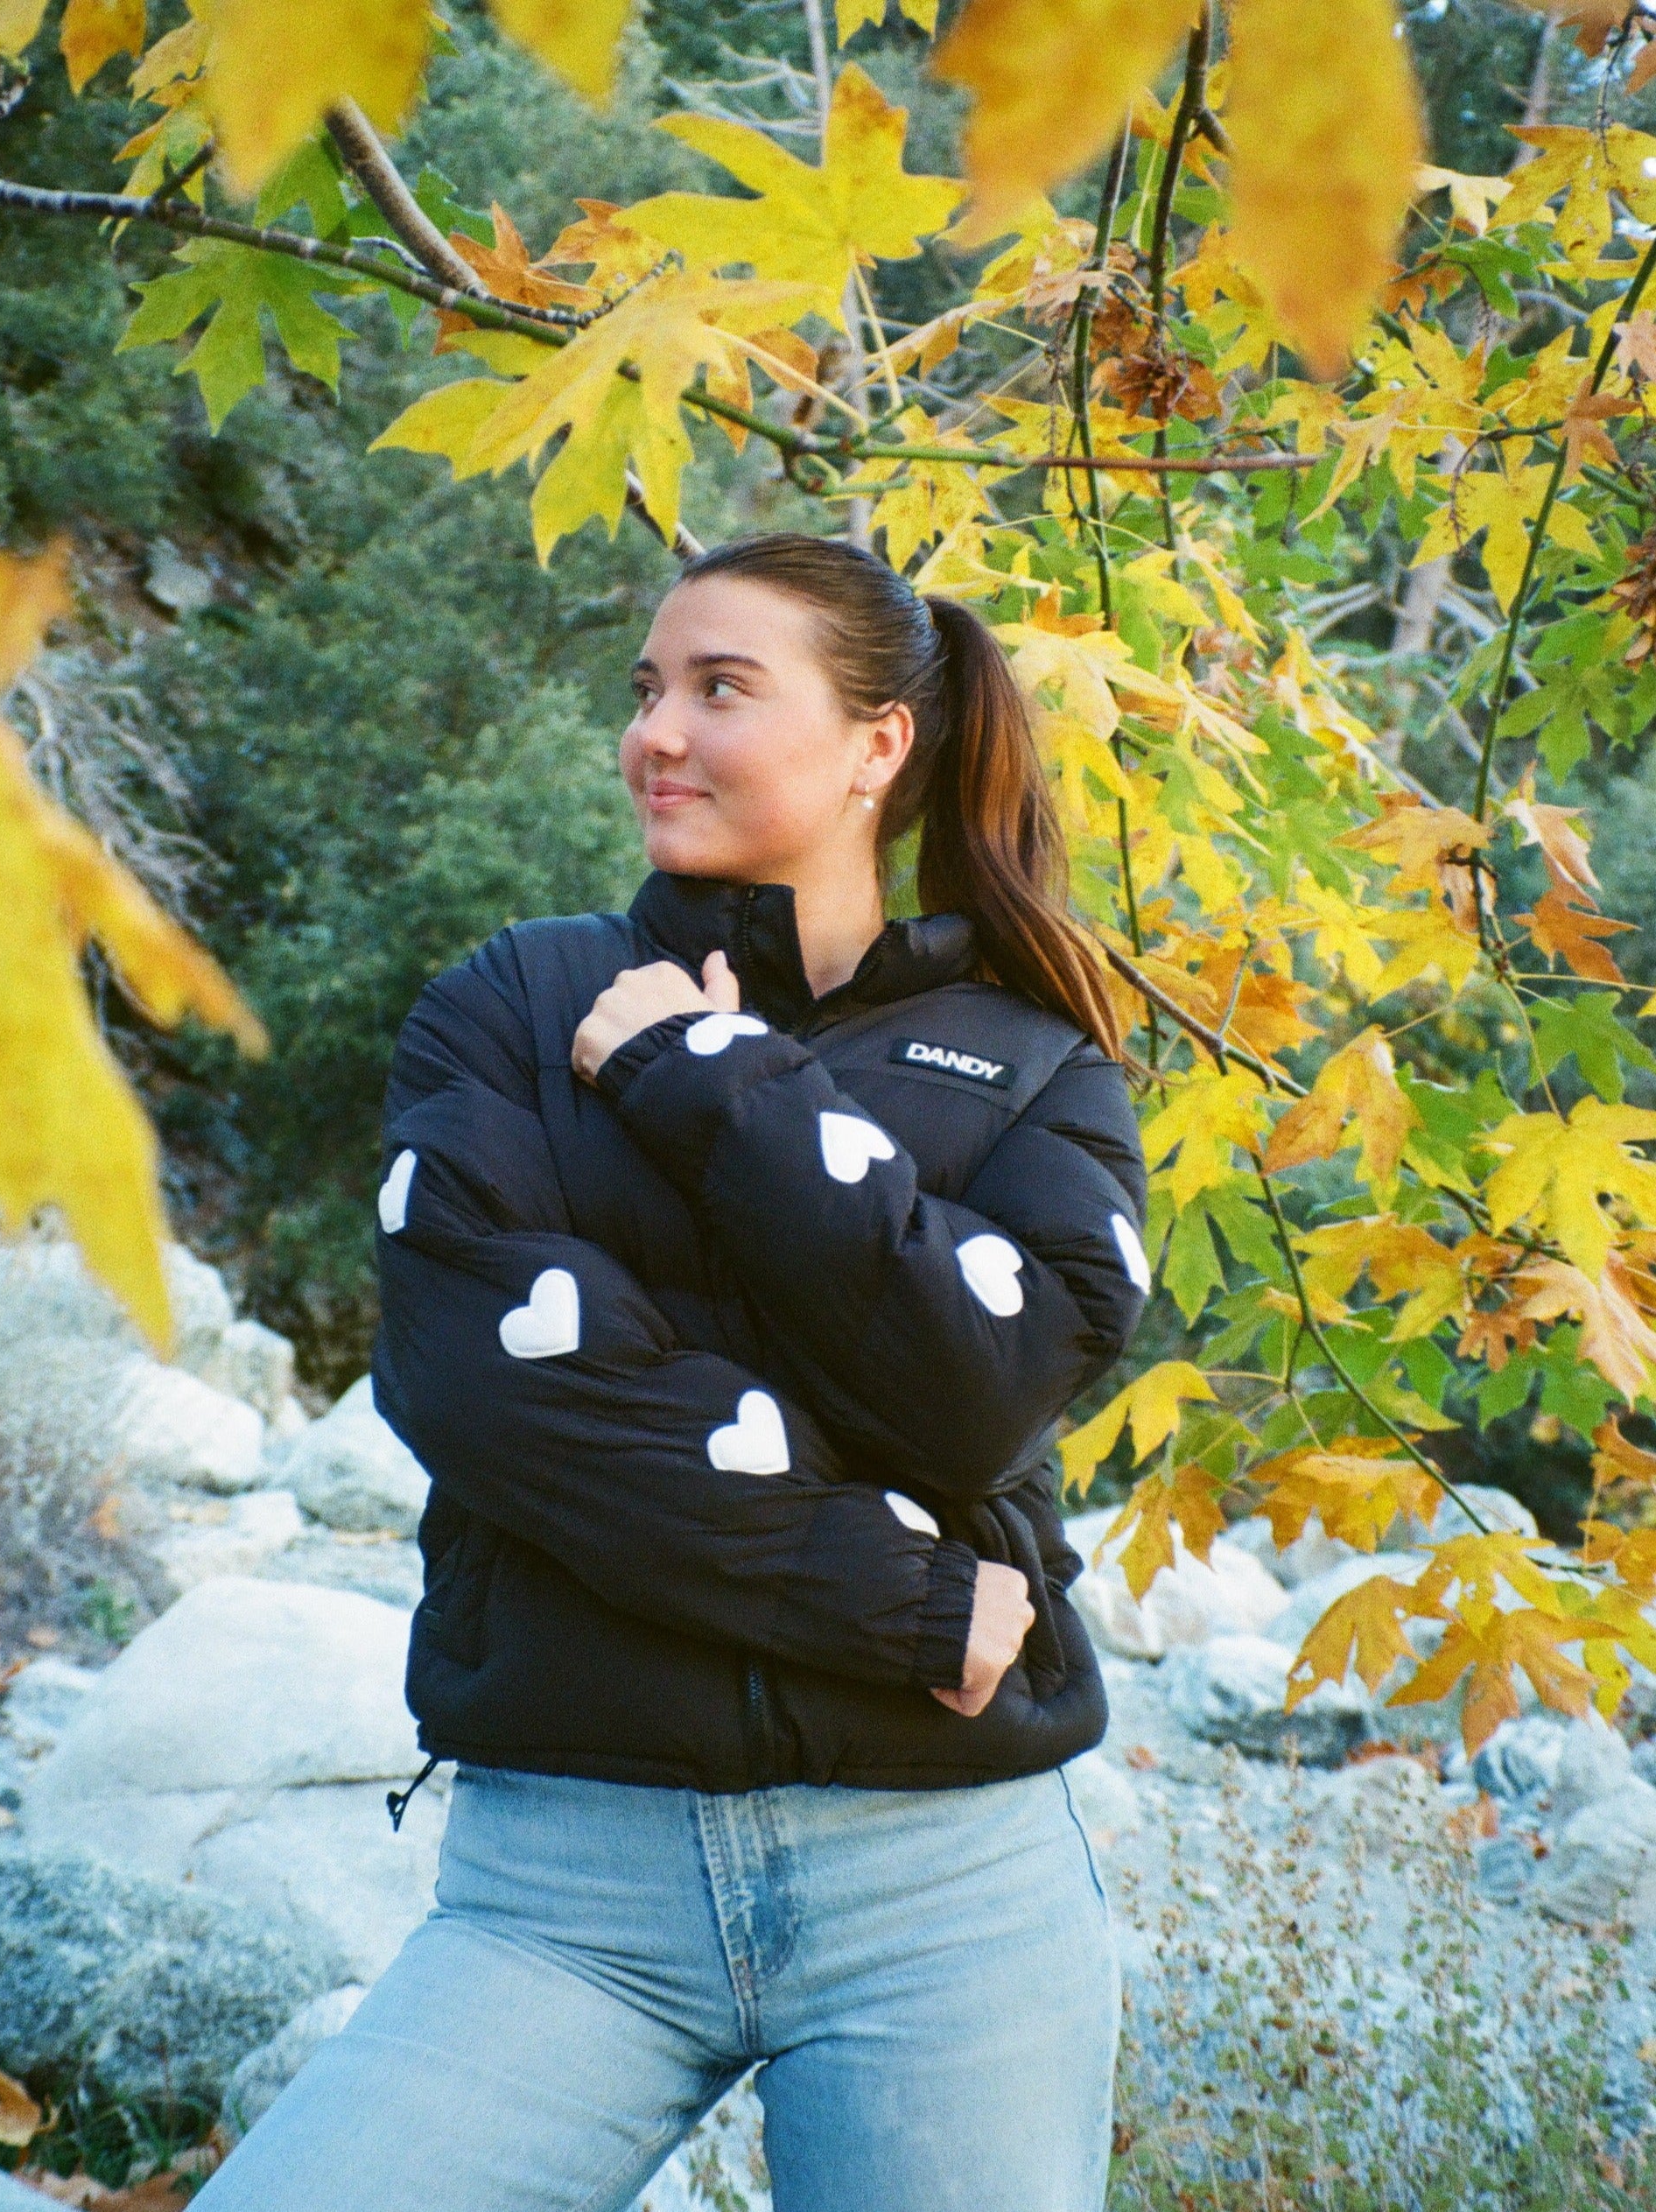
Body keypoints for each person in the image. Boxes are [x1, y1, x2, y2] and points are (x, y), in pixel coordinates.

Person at [197, 532, 1149, 2212]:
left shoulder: (1033, 1065)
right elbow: (493, 1391)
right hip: (565, 1892)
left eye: (721, 689)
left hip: (943, 1891)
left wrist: (706, 1074)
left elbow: (975, 1393)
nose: (656, 732)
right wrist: (899, 1596)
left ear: (875, 746)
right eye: (646, 688)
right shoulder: (512, 1002)